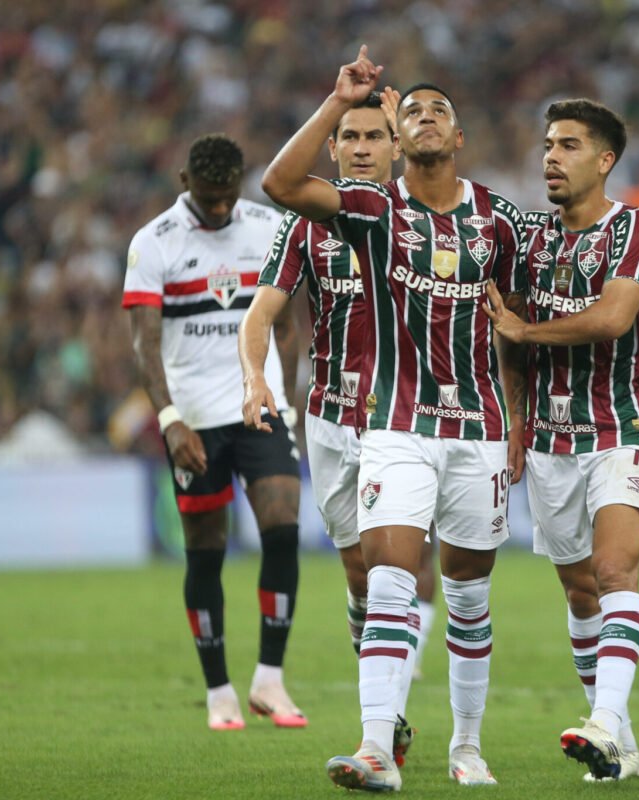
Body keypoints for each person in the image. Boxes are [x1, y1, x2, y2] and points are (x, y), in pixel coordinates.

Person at [262, 46, 525, 791]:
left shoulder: (500, 221)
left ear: (459, 136)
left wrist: (520, 418)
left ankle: (467, 746)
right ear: (396, 138)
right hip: (397, 426)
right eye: (411, 111)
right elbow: (280, 184)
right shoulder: (375, 209)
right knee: (388, 578)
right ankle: (377, 747)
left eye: (439, 110)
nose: (426, 117)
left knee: (468, 595)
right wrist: (336, 101)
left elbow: (518, 326)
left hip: (478, 430)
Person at [239, 92, 439, 764]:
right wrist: (256, 378)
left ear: (397, 145)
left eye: (374, 135)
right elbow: (260, 315)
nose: (360, 147)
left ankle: (383, 723)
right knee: (360, 575)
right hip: (330, 418)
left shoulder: (424, 219)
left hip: (404, 418)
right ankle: (387, 703)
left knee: (396, 567)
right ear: (332, 147)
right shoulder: (306, 225)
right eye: (349, 136)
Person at [485, 98, 639, 782]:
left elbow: (614, 318)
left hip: (621, 429)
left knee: (614, 571)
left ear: (605, 160)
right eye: (548, 145)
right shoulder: (528, 238)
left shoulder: (636, 228)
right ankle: (622, 744)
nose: (551, 158)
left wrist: (527, 330)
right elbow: (506, 334)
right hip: (548, 443)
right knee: (581, 594)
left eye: (568, 145)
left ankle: (602, 723)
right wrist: (514, 421)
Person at [122, 134, 306, 732]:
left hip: (259, 407)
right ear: (185, 182)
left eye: (229, 195)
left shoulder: (269, 226)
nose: (222, 207)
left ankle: (269, 679)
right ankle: (219, 691)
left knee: (283, 531)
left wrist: (285, 397)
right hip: (195, 420)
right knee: (206, 552)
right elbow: (144, 344)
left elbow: (288, 325)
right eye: (209, 198)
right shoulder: (154, 242)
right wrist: (169, 420)